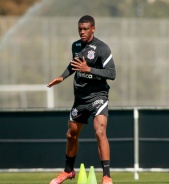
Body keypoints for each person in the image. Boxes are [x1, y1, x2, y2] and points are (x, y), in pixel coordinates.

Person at [48, 15, 116, 184]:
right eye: (80, 29)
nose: (82, 32)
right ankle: (68, 171)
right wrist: (62, 77)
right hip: (80, 99)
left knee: (100, 131)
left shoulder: (102, 48)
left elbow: (111, 73)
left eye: (85, 29)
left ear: (93, 28)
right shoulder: (76, 45)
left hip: (98, 96)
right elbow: (74, 65)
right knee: (71, 135)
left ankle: (107, 176)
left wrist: (89, 69)